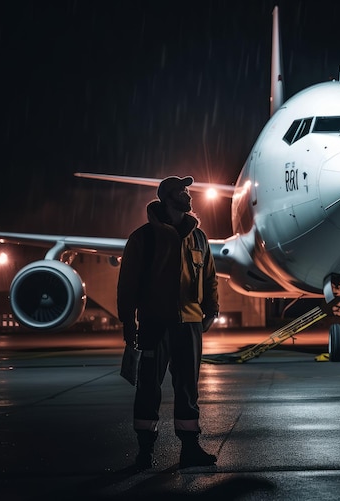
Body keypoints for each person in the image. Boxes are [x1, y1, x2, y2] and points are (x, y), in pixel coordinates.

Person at [117, 175, 219, 469]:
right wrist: (128, 322)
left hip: (189, 323)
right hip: (154, 323)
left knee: (188, 387)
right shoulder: (143, 238)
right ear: (167, 198)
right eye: (181, 192)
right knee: (148, 386)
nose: (188, 196)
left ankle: (190, 449)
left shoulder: (199, 237)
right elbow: (128, 284)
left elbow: (210, 277)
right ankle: (145, 451)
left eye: (187, 192)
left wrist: (211, 311)